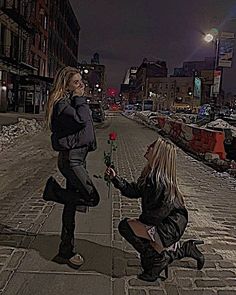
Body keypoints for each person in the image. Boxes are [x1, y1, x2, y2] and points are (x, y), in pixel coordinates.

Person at [105, 138, 204, 282]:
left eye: (151, 146)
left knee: (126, 227)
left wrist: (140, 227)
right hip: (163, 224)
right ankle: (181, 250)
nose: (147, 147)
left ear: (158, 154)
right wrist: (115, 179)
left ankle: (159, 260)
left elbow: (157, 216)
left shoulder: (160, 182)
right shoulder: (150, 174)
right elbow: (133, 190)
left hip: (169, 227)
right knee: (136, 233)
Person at [43, 66, 100, 269]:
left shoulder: (68, 103)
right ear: (66, 85)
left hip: (78, 158)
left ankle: (65, 250)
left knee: (71, 206)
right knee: (92, 197)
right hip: (71, 160)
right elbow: (82, 121)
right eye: (76, 82)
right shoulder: (62, 105)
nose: (81, 86)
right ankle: (53, 191)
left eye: (81, 82)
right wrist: (79, 98)